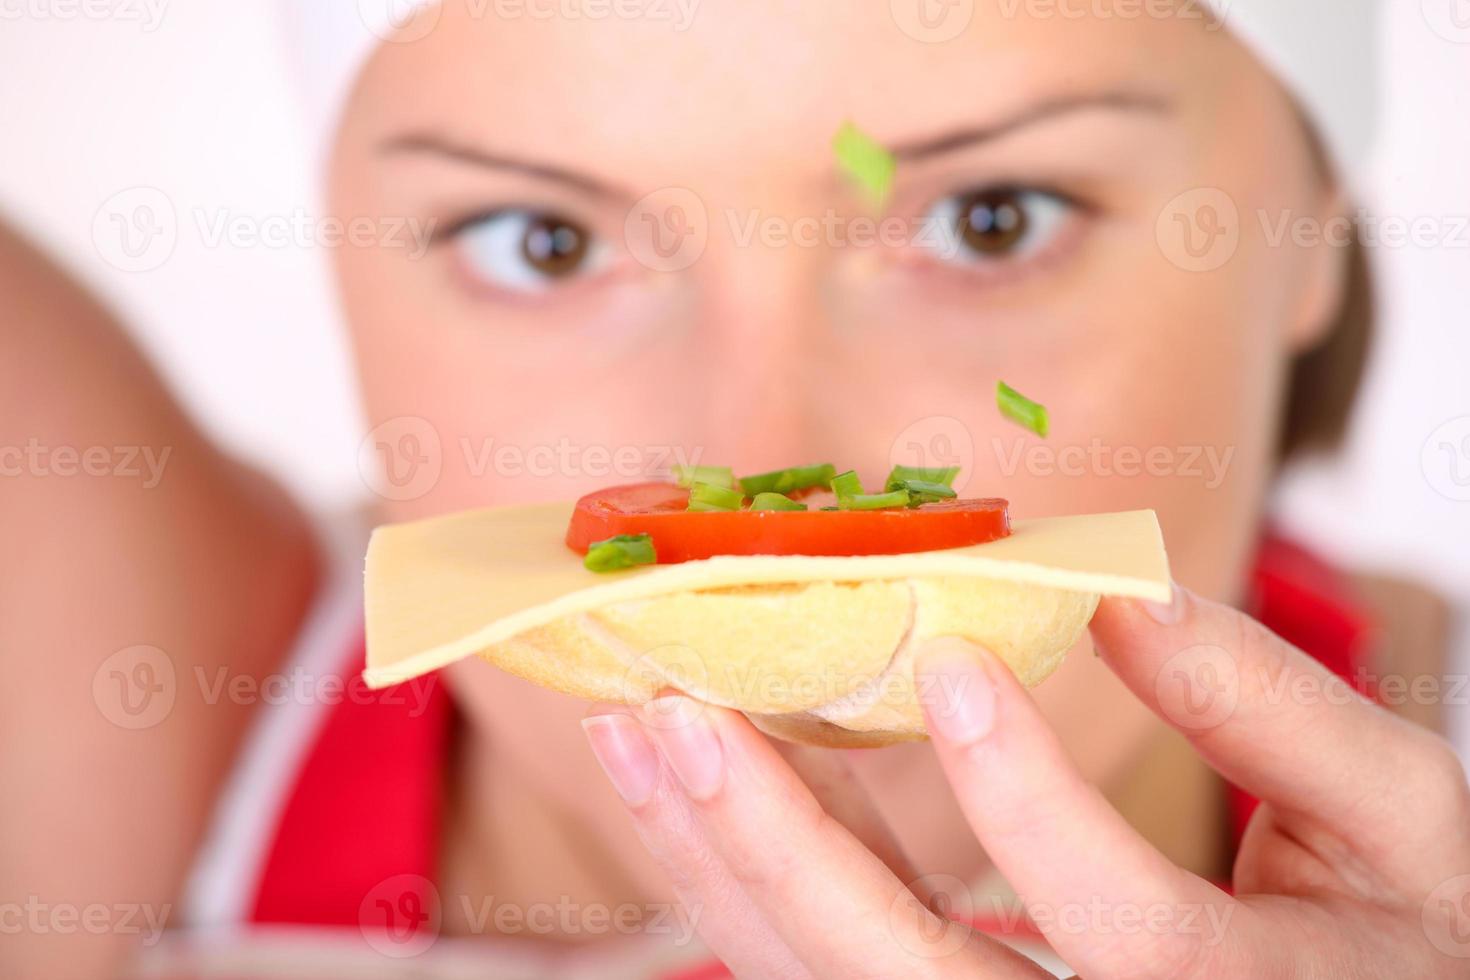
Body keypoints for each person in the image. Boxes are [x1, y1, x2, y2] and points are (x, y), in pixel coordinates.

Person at [3, 0, 1466, 976]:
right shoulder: (140, 693)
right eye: (543, 244)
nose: (766, 488)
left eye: (987, 218)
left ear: (1309, 234)